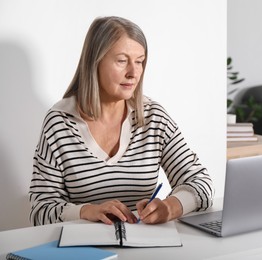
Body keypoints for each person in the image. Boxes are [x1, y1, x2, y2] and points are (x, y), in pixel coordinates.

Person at [29, 16, 214, 226]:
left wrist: (171, 206)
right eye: (122, 61)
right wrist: (86, 211)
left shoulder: (153, 117)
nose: (133, 73)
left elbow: (202, 184)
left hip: (144, 248)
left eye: (139, 61)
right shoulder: (60, 122)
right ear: (94, 62)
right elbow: (40, 211)